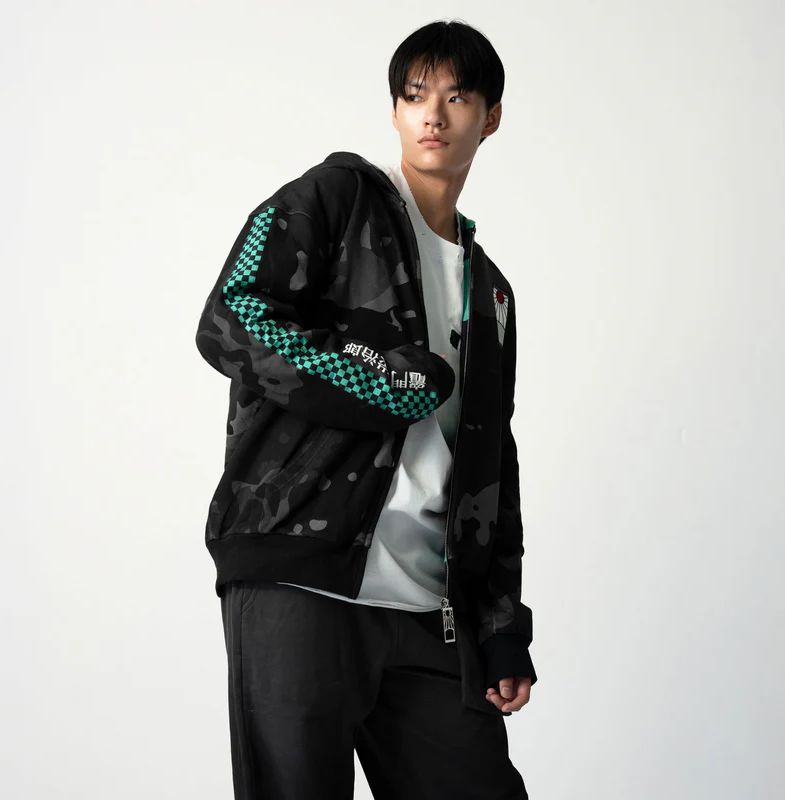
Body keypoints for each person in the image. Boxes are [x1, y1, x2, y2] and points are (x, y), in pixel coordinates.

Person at [195, 18, 537, 800]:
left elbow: (493, 463)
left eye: (457, 97)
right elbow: (231, 316)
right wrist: (379, 380)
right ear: (394, 111)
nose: (434, 115)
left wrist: (499, 627)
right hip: (300, 580)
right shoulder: (340, 197)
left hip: (427, 608)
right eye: (415, 95)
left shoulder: (491, 294)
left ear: (490, 117)